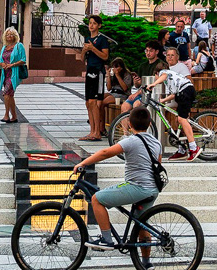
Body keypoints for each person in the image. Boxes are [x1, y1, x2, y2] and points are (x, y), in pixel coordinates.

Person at [76, 106, 161, 257]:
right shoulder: (156, 143)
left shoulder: (130, 141)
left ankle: (106, 239)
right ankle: (147, 265)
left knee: (97, 199)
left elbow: (105, 153)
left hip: (136, 187)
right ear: (149, 125)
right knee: (142, 224)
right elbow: (158, 165)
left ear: (129, 124)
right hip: (152, 189)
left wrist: (83, 163)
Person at [147, 64, 201, 161]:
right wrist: (162, 101)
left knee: (182, 119)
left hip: (186, 91)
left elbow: (163, 75)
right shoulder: (172, 79)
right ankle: (182, 150)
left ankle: (194, 148)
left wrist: (153, 84)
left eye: (155, 76)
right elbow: (173, 95)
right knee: (178, 120)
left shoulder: (164, 72)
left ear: (156, 73)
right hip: (182, 93)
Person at [82, 15, 110, 141]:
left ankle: (97, 131)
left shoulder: (102, 40)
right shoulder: (88, 39)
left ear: (99, 25)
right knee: (88, 103)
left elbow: (105, 56)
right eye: (90, 23)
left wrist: (93, 48)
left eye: (94, 23)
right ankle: (92, 131)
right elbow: (83, 59)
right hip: (89, 71)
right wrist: (84, 50)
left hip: (98, 72)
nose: (91, 25)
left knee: (94, 102)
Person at [122, 41, 168, 116]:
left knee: (136, 105)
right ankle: (126, 128)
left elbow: (154, 84)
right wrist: (136, 82)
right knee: (124, 106)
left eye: (151, 51)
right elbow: (138, 85)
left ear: (157, 52)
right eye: (146, 50)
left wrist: (136, 93)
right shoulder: (142, 66)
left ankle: (139, 127)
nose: (148, 53)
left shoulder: (160, 65)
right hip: (142, 92)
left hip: (153, 94)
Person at [0, 27, 26, 123]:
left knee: (5, 93)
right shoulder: (4, 47)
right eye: (7, 34)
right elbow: (0, 61)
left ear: (15, 36)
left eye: (11, 34)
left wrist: (12, 65)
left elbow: (23, 59)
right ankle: (14, 116)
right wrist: (3, 64)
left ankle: (6, 115)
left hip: (14, 74)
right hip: (5, 73)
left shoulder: (19, 46)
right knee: (10, 95)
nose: (9, 36)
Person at [98, 58, 133, 133]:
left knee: (104, 102)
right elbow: (109, 88)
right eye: (114, 67)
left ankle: (102, 127)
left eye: (117, 67)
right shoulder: (112, 74)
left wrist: (117, 75)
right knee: (99, 98)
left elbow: (124, 88)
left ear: (122, 67)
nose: (115, 69)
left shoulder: (127, 74)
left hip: (122, 94)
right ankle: (99, 122)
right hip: (113, 92)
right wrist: (108, 76)